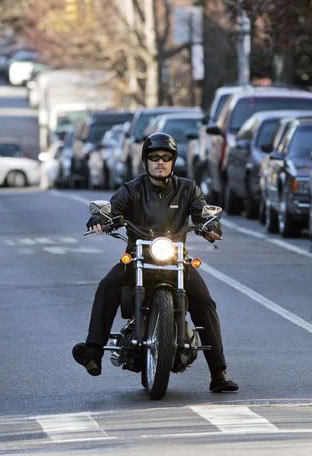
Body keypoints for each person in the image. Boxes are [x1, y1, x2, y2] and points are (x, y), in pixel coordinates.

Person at [72, 132, 238, 393]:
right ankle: (93, 351)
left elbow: (201, 210)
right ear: (145, 161)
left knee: (205, 300)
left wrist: (210, 226)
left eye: (166, 157)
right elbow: (113, 208)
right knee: (108, 285)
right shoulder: (132, 189)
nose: (160, 162)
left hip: (176, 262)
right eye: (154, 157)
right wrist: (101, 219)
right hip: (138, 259)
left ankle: (219, 372)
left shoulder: (187, 189)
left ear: (173, 161)